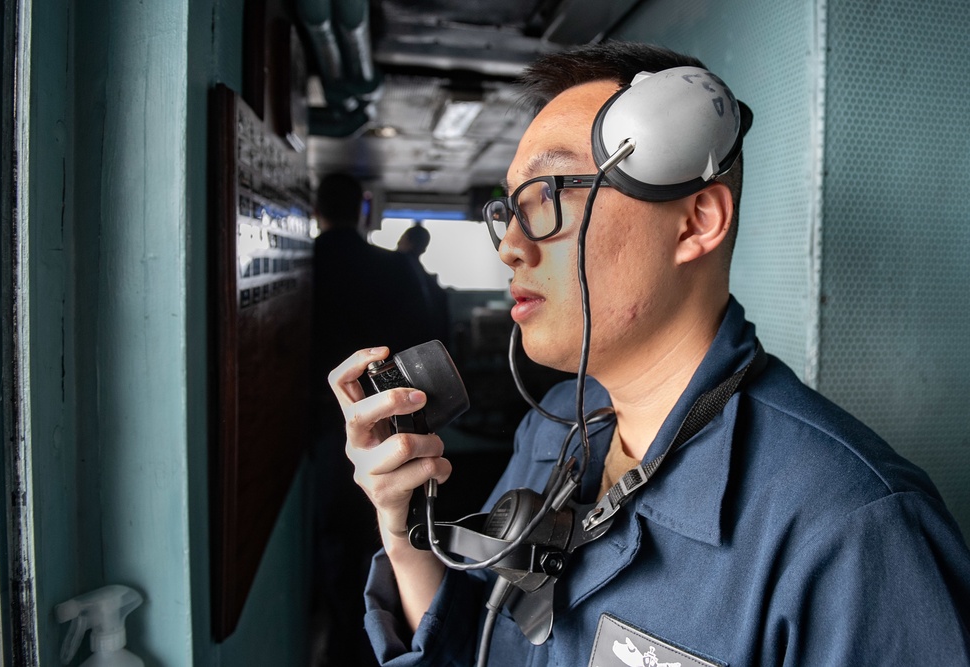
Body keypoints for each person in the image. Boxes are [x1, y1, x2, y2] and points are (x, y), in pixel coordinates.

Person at [326, 43, 970, 665]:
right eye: (509, 211)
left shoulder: (857, 531)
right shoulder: (554, 426)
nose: (510, 248)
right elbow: (479, 644)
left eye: (547, 196)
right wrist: (406, 530)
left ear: (694, 223)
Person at [310, 173, 435, 667]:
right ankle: (384, 639)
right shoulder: (396, 270)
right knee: (391, 532)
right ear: (363, 210)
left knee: (335, 537)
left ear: (318, 209)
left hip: (323, 426)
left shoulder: (303, 267)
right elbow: (429, 347)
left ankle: (343, 642)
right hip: (393, 426)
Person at [396, 224, 450, 346]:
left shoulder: (399, 270)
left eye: (401, 240)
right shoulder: (428, 281)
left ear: (409, 243)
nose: (398, 243)